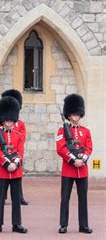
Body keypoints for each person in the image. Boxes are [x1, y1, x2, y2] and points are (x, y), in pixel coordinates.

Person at [56, 94, 93, 234]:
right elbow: (61, 148)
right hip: (68, 170)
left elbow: (89, 147)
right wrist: (73, 160)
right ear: (69, 115)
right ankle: (63, 225)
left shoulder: (86, 131)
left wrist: (82, 159)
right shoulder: (62, 130)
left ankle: (83, 225)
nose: (75, 117)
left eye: (77, 114)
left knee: (83, 199)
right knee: (65, 198)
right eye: (73, 114)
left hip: (82, 170)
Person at [0, 96, 28, 234]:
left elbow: (20, 150)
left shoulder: (18, 135)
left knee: (16, 199)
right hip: (3, 170)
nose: (9, 122)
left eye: (11, 120)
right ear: (3, 120)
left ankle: (17, 224)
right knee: (0, 198)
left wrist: (15, 162)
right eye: (7, 120)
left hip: (16, 170)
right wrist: (7, 163)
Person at [1, 89, 28, 205]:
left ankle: (19, 195)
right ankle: (3, 195)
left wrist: (15, 151)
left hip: (16, 153)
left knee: (18, 175)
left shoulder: (20, 124)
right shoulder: (2, 123)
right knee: (4, 175)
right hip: (4, 152)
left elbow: (22, 138)